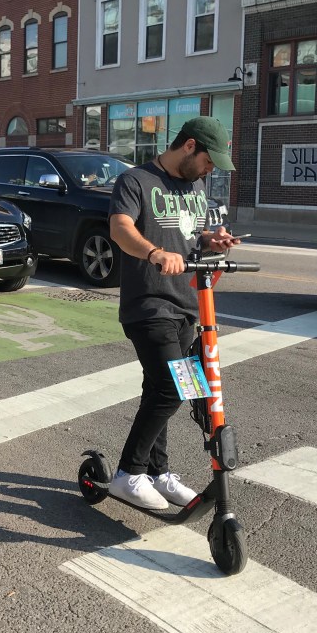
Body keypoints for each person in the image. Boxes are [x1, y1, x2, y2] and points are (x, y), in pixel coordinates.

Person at [106, 116, 240, 509]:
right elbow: (119, 227)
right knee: (173, 388)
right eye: (208, 160)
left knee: (158, 388)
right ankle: (128, 473)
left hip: (186, 305)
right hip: (149, 304)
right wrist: (153, 252)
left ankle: (157, 472)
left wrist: (211, 239)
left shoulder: (195, 186)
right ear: (189, 146)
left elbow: (188, 233)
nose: (210, 170)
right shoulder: (135, 181)